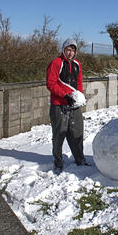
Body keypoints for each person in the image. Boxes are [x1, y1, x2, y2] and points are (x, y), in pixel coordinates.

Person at [46, 38, 89, 173]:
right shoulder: (56, 63)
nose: (70, 53)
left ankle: (80, 159)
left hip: (74, 105)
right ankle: (58, 162)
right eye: (68, 50)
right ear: (63, 49)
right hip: (59, 105)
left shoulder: (77, 64)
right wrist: (65, 96)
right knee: (59, 134)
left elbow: (79, 83)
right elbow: (51, 84)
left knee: (77, 132)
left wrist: (79, 96)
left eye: (73, 50)